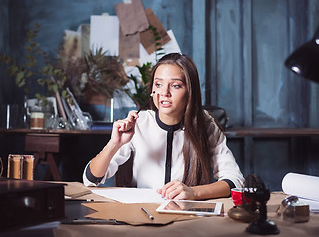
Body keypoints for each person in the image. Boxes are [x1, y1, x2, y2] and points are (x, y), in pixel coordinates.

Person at [83, 53, 244, 200]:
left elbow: (235, 180)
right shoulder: (138, 124)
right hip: (141, 215)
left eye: (176, 86)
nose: (164, 92)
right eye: (158, 84)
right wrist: (114, 144)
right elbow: (90, 179)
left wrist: (194, 192)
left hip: (187, 217)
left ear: (190, 91)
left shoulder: (205, 124)